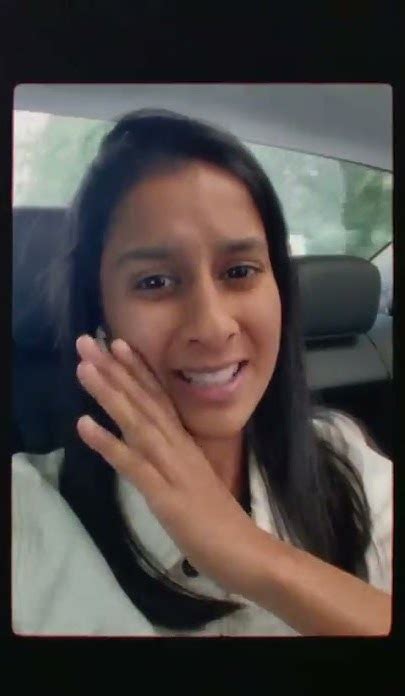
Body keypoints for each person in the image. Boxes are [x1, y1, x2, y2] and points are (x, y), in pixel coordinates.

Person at [12, 109, 392, 637]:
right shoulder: (28, 515)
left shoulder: (348, 463)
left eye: (239, 271)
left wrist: (251, 555)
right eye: (154, 282)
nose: (212, 327)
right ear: (100, 312)